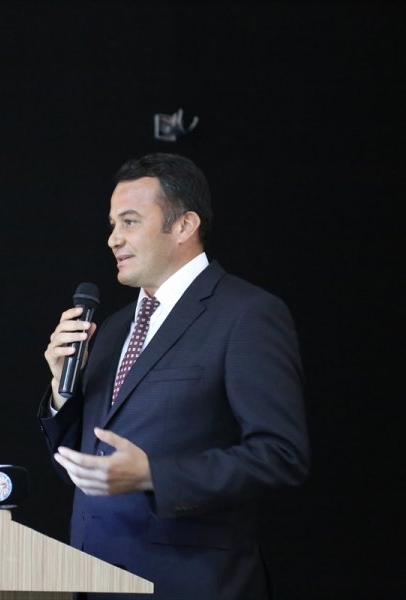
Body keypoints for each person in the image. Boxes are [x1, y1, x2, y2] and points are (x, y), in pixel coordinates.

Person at [39, 153, 310, 600]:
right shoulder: (113, 329)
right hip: (93, 577)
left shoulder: (246, 314)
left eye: (129, 222)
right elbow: (85, 465)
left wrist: (154, 475)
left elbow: (280, 456)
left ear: (184, 226)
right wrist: (60, 391)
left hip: (190, 583)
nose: (113, 239)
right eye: (112, 224)